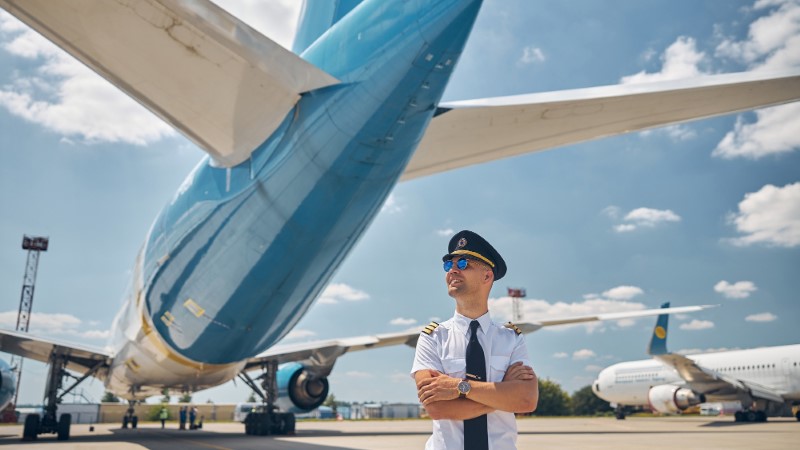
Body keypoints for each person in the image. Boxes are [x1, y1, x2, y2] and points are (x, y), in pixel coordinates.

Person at [412, 230, 538, 450]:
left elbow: (526, 400)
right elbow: (437, 408)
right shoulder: (432, 338)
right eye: (448, 265)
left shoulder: (512, 339)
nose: (452, 270)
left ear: (486, 276)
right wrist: (501, 394)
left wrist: (459, 388)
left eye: (463, 264)